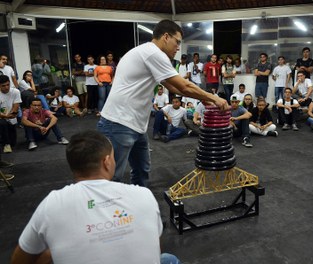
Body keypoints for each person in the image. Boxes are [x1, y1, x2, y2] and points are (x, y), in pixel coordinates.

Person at [11, 130, 180, 264]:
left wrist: (54, 248)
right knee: (169, 259)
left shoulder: (52, 204)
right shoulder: (144, 195)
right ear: (107, 162)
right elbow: (153, 249)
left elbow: (19, 260)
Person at [97, 20, 228, 186]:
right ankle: (105, 211)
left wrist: (204, 98)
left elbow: (173, 86)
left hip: (135, 125)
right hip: (119, 123)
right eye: (177, 42)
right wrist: (214, 97)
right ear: (166, 37)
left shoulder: (146, 52)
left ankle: (138, 204)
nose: (178, 47)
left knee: (141, 170)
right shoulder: (153, 53)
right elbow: (184, 85)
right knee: (110, 178)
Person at [0, 75, 21, 154]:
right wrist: (5, 116)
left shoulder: (15, 92)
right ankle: (6, 144)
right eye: (3, 86)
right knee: (3, 123)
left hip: (11, 118)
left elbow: (15, 108)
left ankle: (6, 141)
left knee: (13, 143)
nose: (6, 87)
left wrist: (11, 114)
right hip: (1, 118)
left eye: (8, 84)